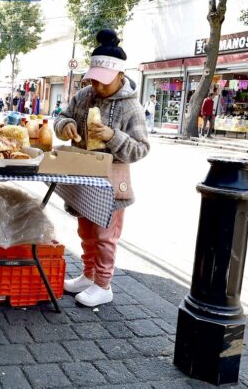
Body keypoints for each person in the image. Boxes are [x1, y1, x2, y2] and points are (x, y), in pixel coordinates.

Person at [54, 29, 150, 307]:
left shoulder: (131, 107)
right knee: (85, 230)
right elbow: (62, 117)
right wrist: (65, 126)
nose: (97, 86)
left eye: (104, 82)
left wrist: (112, 136)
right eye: (93, 80)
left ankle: (103, 284)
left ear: (120, 76)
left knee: (105, 235)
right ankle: (88, 275)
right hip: (83, 173)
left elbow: (141, 148)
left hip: (111, 179)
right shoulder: (84, 95)